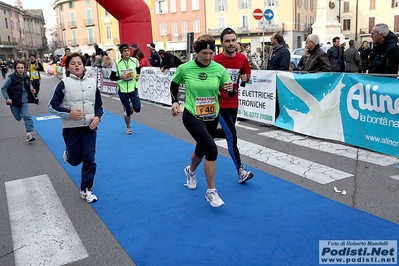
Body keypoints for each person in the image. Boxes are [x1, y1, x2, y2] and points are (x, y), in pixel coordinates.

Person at [170, 34, 233, 208]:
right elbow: (174, 84)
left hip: (212, 115)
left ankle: (190, 171)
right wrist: (175, 101)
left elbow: (230, 93)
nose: (207, 57)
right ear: (196, 52)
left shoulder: (219, 69)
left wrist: (230, 89)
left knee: (202, 147)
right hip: (192, 114)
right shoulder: (185, 68)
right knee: (212, 149)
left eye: (210, 53)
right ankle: (211, 192)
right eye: (204, 53)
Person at [48, 53, 103, 203]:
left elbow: (99, 106)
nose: (77, 65)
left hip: (89, 128)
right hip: (71, 129)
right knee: (74, 160)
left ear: (84, 66)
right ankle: (69, 155)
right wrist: (69, 113)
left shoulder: (92, 83)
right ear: (68, 67)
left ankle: (86, 190)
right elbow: (52, 106)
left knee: (89, 159)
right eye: (73, 63)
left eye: (79, 63)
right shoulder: (63, 84)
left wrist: (97, 117)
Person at [213, 27, 254, 184]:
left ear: (237, 41)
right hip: (220, 103)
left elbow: (247, 76)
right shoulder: (216, 60)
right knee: (231, 135)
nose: (231, 43)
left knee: (226, 132)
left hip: (234, 102)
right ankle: (240, 170)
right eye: (227, 41)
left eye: (233, 40)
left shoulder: (242, 59)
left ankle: (206, 134)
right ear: (222, 43)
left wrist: (245, 78)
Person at [1, 59, 38, 142]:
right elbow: (3, 88)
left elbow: (30, 85)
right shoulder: (11, 78)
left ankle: (29, 134)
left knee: (27, 116)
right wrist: (8, 98)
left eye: (22, 68)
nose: (20, 69)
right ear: (15, 69)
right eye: (18, 68)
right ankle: (21, 116)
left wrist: (32, 89)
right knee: (18, 118)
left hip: (24, 100)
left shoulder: (27, 77)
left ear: (24, 68)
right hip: (14, 101)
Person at [110, 44, 141, 135]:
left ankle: (131, 106)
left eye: (128, 51)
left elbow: (138, 70)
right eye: (125, 51)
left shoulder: (135, 60)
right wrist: (120, 77)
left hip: (133, 88)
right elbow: (112, 77)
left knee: (138, 109)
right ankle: (128, 127)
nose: (127, 52)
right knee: (127, 111)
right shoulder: (117, 63)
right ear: (121, 53)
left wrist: (138, 75)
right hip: (122, 90)